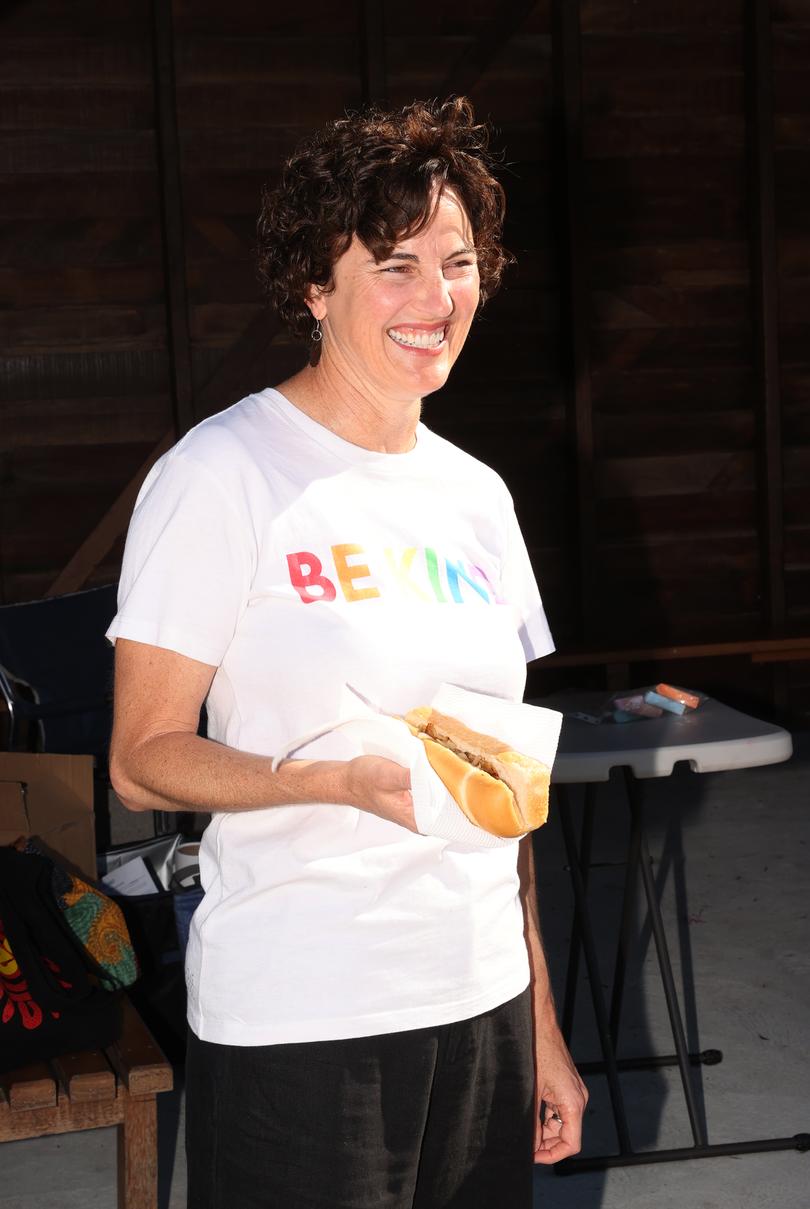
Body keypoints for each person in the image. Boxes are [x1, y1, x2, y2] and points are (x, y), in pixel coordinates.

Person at [108, 96, 587, 1209]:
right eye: (395, 266)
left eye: (458, 263)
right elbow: (141, 757)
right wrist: (326, 785)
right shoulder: (222, 474)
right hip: (302, 1017)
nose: (436, 299)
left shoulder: (478, 497)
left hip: (479, 1010)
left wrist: (541, 1025)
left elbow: (500, 789)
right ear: (314, 287)